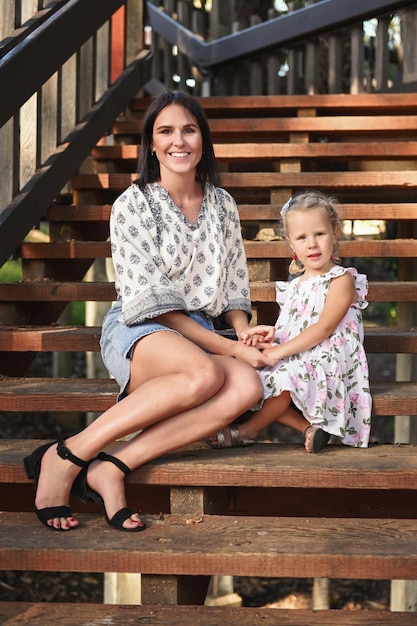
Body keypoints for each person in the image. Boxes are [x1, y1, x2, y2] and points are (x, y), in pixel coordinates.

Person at [23, 90, 275, 532]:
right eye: (166, 131)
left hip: (201, 333)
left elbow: (235, 286)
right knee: (207, 375)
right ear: (152, 144)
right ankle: (65, 455)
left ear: (203, 139)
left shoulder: (223, 204)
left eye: (189, 130)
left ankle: (113, 466)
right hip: (142, 327)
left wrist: (245, 331)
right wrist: (230, 350)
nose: (179, 141)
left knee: (246, 387)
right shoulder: (133, 205)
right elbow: (155, 306)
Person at [208, 190, 372, 453]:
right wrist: (269, 337)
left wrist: (277, 352)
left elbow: (324, 327)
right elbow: (297, 325)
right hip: (300, 352)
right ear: (291, 243)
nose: (312, 244)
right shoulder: (294, 286)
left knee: (283, 375)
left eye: (320, 234)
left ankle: (247, 431)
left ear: (335, 233)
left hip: (330, 355)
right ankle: (308, 429)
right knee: (253, 374)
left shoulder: (342, 280)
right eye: (302, 237)